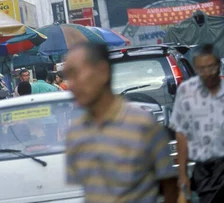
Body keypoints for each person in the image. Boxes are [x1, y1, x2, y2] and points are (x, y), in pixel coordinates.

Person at [64, 43, 178, 203]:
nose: (71, 84)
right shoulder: (75, 132)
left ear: (102, 72)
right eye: (68, 76)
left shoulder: (143, 125)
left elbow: (170, 187)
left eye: (75, 74)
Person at [170, 44, 224, 202]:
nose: (207, 73)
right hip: (204, 171)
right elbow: (181, 134)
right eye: (201, 69)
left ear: (219, 65)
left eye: (211, 67)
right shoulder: (186, 92)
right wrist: (182, 175)